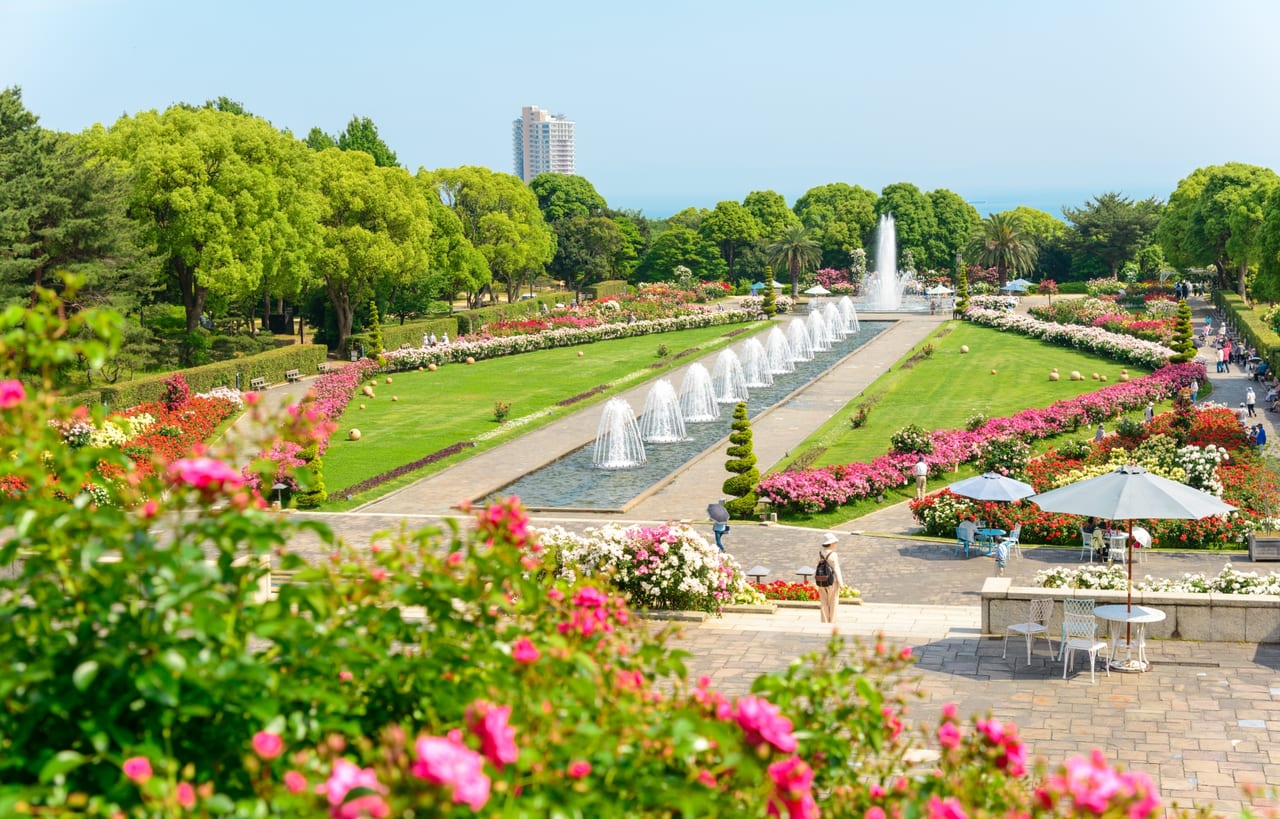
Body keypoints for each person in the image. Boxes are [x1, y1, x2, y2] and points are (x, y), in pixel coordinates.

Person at [816, 533, 844, 624]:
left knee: (823, 602)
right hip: (832, 581)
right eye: (834, 542)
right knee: (833, 602)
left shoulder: (820, 554)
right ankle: (832, 621)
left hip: (821, 580)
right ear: (831, 543)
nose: (835, 544)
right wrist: (841, 583)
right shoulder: (833, 554)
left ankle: (824, 621)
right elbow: (836, 569)